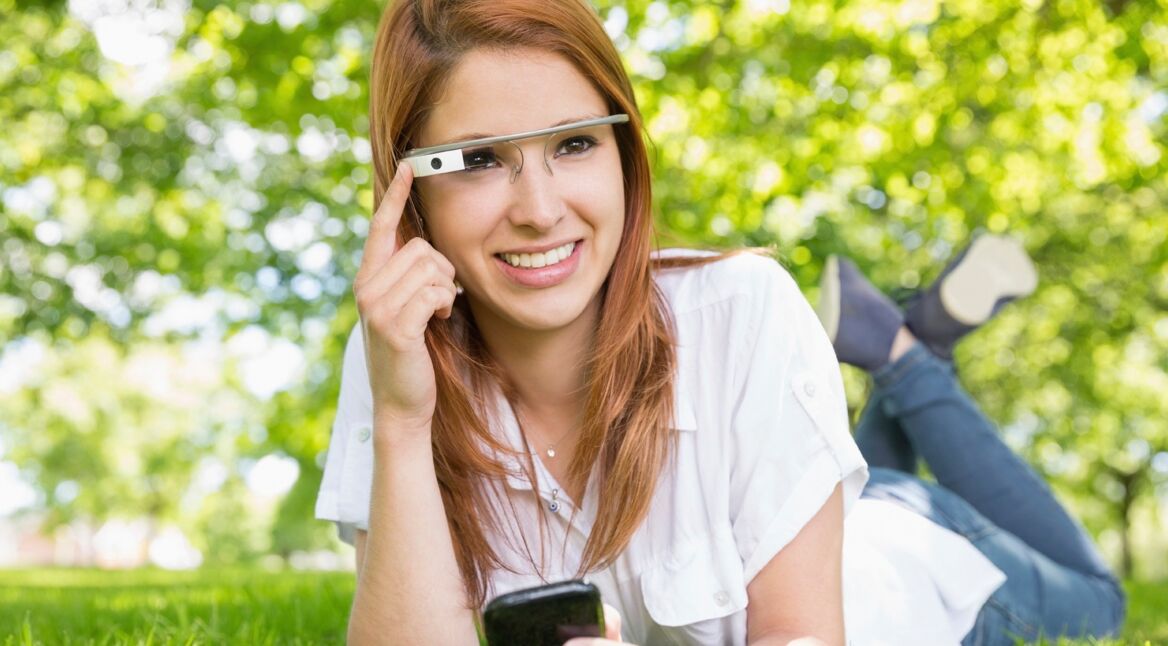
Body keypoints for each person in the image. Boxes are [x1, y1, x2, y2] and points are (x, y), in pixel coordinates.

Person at [313, 0, 1125, 643]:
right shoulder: (394, 351)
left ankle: (907, 356)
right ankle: (912, 340)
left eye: (575, 143)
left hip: (912, 559)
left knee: (1101, 603)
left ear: (624, 153)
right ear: (406, 189)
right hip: (786, 501)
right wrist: (402, 422)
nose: (539, 209)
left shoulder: (742, 306)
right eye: (479, 159)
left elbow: (801, 632)